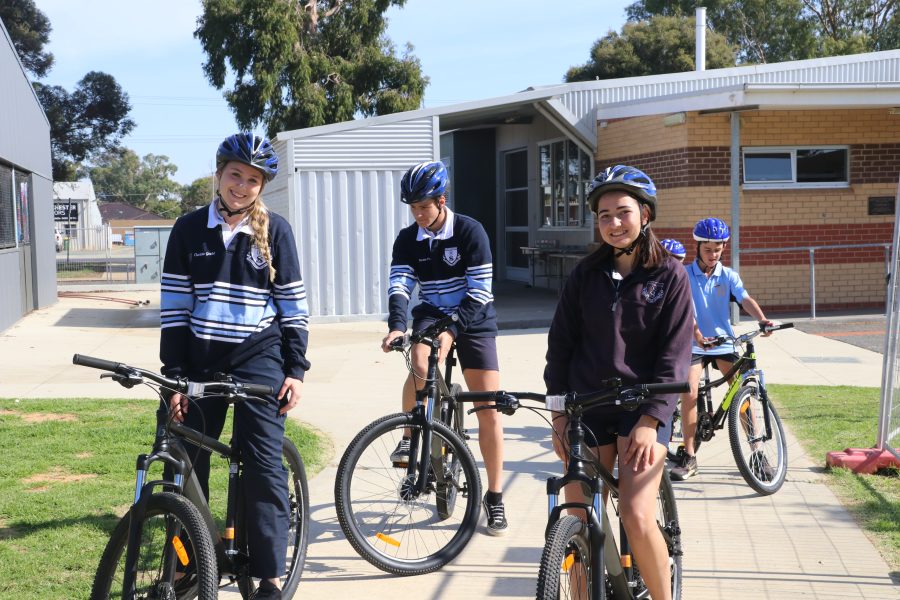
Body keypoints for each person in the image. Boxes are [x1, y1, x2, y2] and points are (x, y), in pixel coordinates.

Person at [160, 132, 310, 600]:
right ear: (219, 174)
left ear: (262, 185)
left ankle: (269, 573)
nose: (241, 187)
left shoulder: (276, 231)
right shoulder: (187, 229)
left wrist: (295, 370)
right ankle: (189, 562)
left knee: (265, 465)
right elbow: (174, 310)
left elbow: (293, 306)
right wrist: (175, 378)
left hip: (258, 360)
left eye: (252, 180)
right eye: (235, 176)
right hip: (201, 363)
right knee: (182, 461)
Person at [544, 165, 693, 600]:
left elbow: (674, 357)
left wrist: (651, 420)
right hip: (587, 405)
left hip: (644, 408)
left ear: (645, 215)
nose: (613, 223)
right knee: (576, 512)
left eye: (622, 212)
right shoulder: (584, 275)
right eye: (604, 214)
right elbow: (560, 348)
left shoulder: (671, 275)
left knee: (633, 511)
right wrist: (557, 413)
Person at [380, 160, 508, 536]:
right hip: (432, 312)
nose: (418, 214)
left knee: (488, 405)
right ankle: (411, 443)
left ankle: (496, 498)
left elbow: (481, 291)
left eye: (424, 206)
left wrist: (454, 330)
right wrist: (396, 326)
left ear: (441, 200)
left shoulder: (470, 232)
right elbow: (400, 285)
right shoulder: (407, 239)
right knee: (419, 360)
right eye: (413, 208)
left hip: (475, 315)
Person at [669, 217, 773, 482]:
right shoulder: (684, 274)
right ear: (698, 246)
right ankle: (689, 456)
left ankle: (758, 452)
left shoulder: (728, 276)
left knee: (742, 393)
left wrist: (761, 319)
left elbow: (745, 299)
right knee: (689, 392)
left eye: (718, 249)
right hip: (693, 343)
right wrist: (698, 336)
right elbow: (685, 311)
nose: (713, 254)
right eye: (708, 250)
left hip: (723, 342)